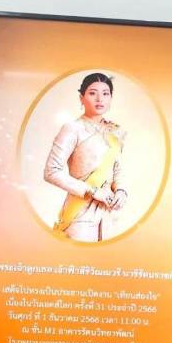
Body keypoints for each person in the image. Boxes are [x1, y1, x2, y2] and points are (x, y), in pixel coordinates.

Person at [43, 72, 128, 242]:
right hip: (80, 213)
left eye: (105, 94)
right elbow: (51, 172)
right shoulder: (72, 129)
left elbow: (117, 169)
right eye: (92, 93)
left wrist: (121, 191)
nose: (99, 99)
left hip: (109, 213)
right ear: (81, 98)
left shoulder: (115, 131)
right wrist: (92, 191)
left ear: (111, 98)